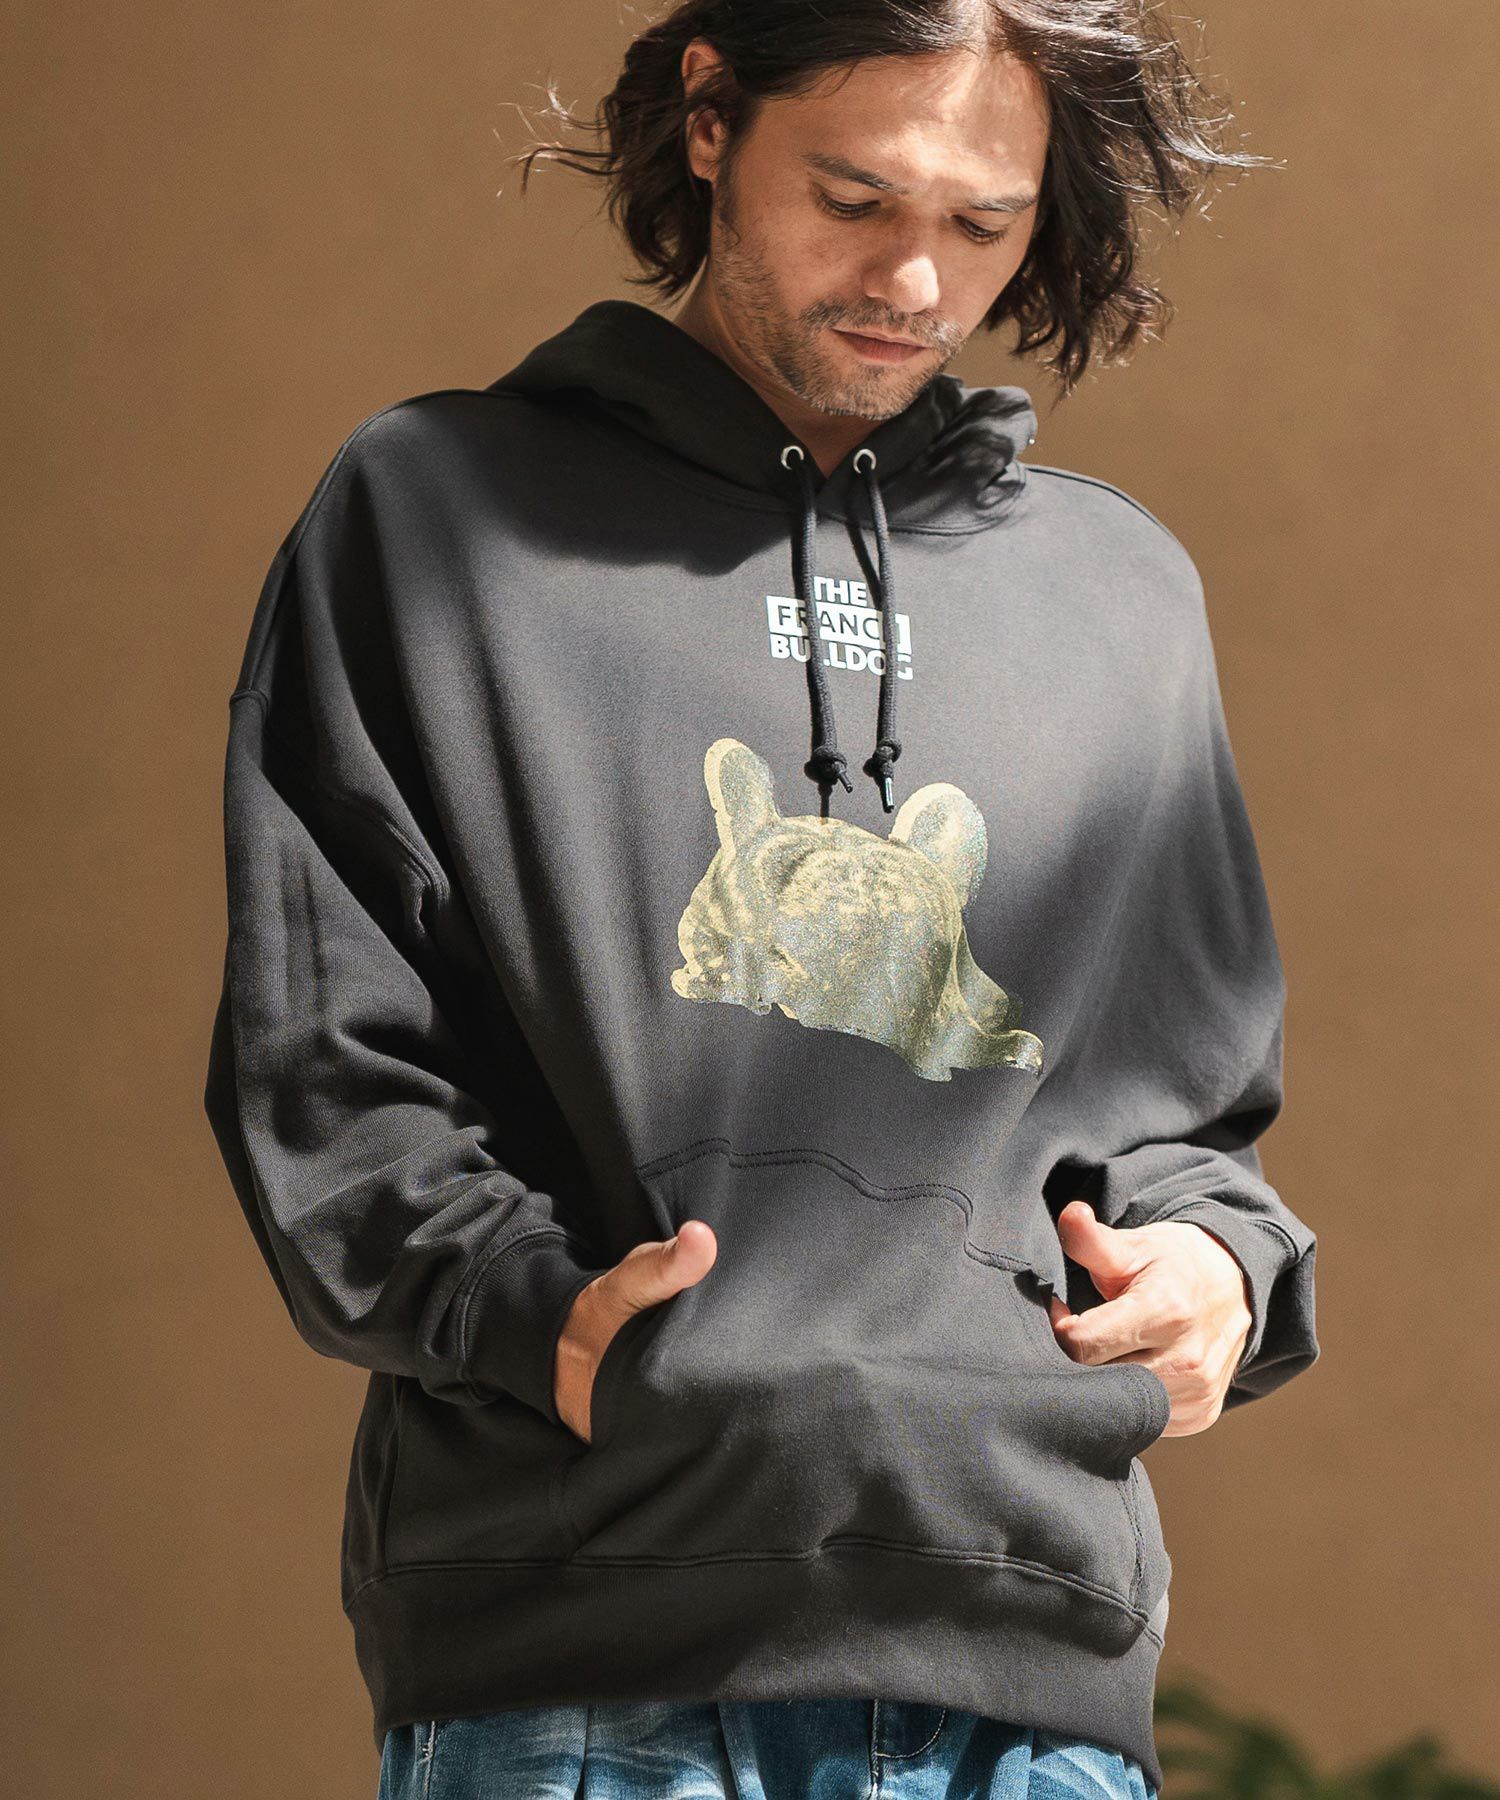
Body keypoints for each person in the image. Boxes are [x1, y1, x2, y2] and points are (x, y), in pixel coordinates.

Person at [202, 3, 1321, 1796]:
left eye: (983, 223)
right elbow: (327, 1062)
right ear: (712, 116)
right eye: (854, 198)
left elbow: (1186, 1124)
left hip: (1031, 1678)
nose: (914, 281)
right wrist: (532, 1319)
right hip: (586, 1667)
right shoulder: (436, 513)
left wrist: (1217, 1272)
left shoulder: (1121, 595)